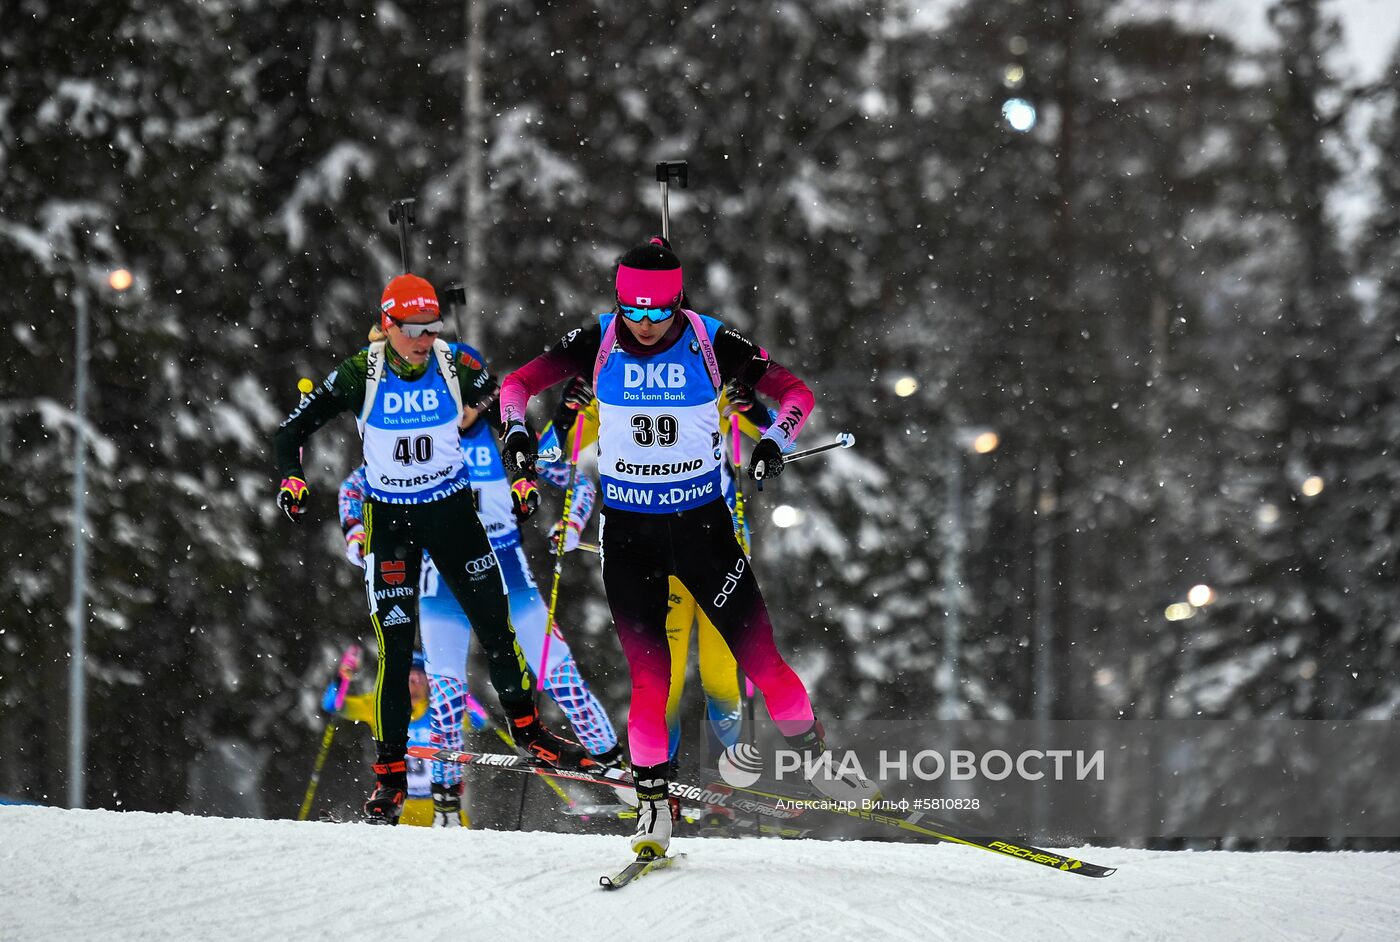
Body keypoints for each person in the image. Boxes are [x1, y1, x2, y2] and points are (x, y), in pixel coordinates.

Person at [498, 238, 875, 858]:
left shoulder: (711, 342)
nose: (644, 326)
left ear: (680, 301)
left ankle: (818, 761)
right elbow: (516, 385)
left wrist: (776, 438)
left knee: (761, 659)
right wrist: (516, 429)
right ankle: (653, 808)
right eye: (632, 313)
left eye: (658, 313)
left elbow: (797, 394)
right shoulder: (597, 339)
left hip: (704, 530)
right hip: (629, 537)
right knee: (652, 680)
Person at [274, 272, 591, 825]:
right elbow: (290, 430)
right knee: (395, 653)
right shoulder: (359, 373)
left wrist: (520, 476)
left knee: (496, 625)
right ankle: (390, 776)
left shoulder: (455, 365)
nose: (425, 340)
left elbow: (508, 411)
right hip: (390, 520)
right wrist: (291, 479)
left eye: (432, 328)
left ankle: (529, 730)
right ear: (387, 325)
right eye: (414, 330)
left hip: (451, 513)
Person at [336, 381, 622, 827]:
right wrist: (356, 533)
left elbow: (577, 484)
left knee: (561, 678)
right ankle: (446, 809)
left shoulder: (505, 442)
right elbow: (353, 488)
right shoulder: (420, 442)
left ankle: (618, 771)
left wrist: (570, 524)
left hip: (507, 574)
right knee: (446, 697)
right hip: (441, 583)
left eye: (468, 403)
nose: (459, 413)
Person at [552, 377, 771, 773]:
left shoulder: (707, 388)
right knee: (663, 686)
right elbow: (556, 448)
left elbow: (774, 431)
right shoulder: (617, 391)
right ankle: (660, 781)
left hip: (719, 554)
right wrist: (567, 411)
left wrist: (751, 406)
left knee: (719, 678)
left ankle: (735, 780)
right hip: (660, 555)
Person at [322, 651, 484, 826]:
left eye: (420, 678)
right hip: (398, 805)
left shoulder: (441, 710)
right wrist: (343, 676)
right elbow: (332, 704)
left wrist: (455, 687)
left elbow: (480, 719)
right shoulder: (381, 705)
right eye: (409, 678)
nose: (415, 684)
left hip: (440, 805)